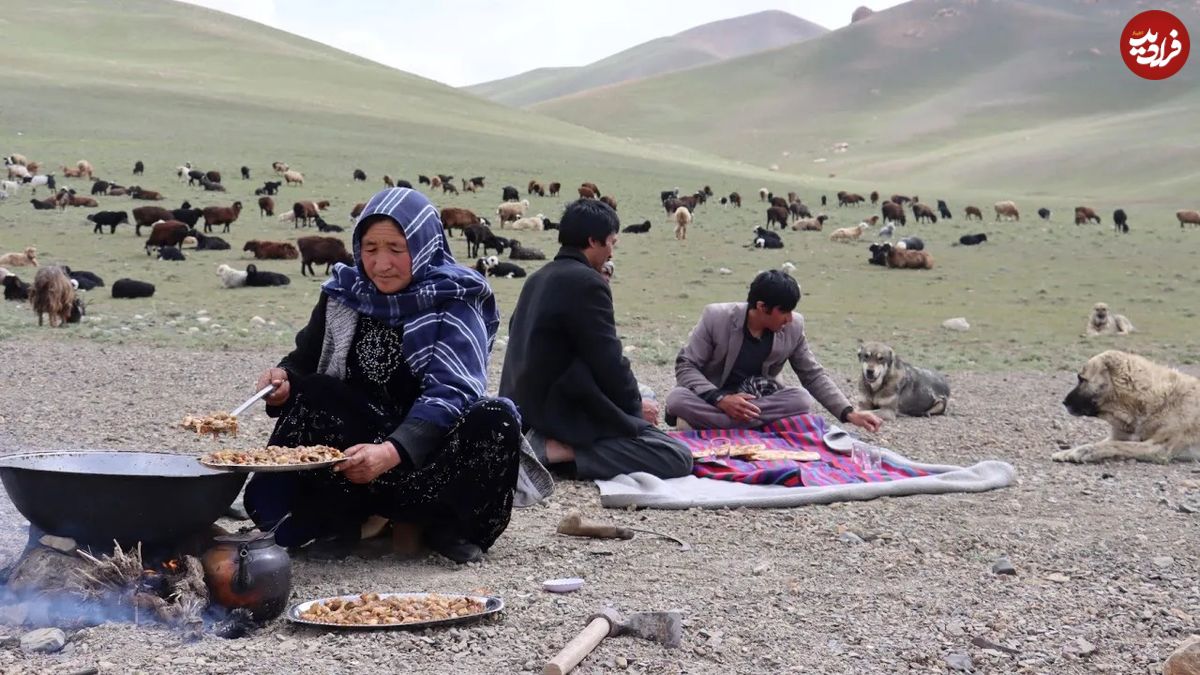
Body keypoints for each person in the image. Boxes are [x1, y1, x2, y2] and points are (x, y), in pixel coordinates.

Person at [244, 187, 546, 564]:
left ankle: (441, 527)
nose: (381, 264)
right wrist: (283, 383)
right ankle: (339, 521)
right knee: (316, 390)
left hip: (428, 461)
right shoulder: (344, 292)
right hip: (352, 462)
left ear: (423, 245)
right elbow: (303, 361)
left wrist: (391, 452)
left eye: (396, 249)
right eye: (370, 249)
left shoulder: (455, 297)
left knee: (496, 419)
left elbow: (453, 392)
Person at [499, 199, 692, 480]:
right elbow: (608, 362)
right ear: (593, 240)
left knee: (645, 395)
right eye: (611, 242)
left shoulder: (538, 277)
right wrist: (635, 412)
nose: (612, 251)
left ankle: (552, 443)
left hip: (526, 405)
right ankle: (555, 450)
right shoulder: (587, 283)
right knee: (676, 456)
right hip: (557, 412)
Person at [665, 270, 884, 433]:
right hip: (715, 398)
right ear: (761, 307)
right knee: (677, 398)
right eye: (784, 312)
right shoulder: (717, 317)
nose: (789, 319)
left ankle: (722, 425)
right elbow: (686, 366)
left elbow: (812, 374)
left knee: (801, 399)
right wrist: (721, 399)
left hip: (757, 402)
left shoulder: (793, 327)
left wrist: (849, 413)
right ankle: (750, 426)